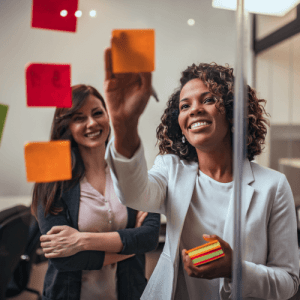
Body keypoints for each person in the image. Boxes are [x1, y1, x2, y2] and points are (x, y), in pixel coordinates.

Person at [103, 48, 300, 300]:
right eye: (185, 106)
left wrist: (235, 270)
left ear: (232, 111)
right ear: (180, 124)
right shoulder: (170, 169)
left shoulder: (273, 185)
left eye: (207, 100)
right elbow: (133, 194)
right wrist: (124, 123)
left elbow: (288, 282)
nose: (194, 109)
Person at [31, 84, 160, 300]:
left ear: (108, 115)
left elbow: (149, 237)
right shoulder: (50, 179)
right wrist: (130, 246)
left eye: (97, 113)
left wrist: (81, 241)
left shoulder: (128, 170)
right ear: (67, 125)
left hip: (128, 291)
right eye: (79, 117)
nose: (92, 123)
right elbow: (63, 259)